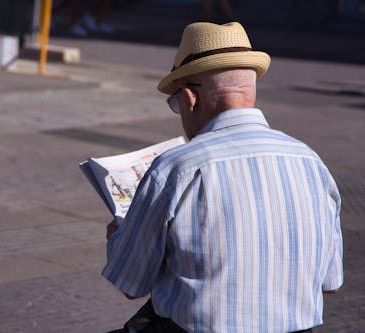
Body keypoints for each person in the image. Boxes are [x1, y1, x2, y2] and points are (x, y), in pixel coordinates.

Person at [102, 22, 343, 332]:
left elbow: (131, 284)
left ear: (190, 98)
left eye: (176, 103)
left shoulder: (176, 169)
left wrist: (117, 235)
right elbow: (331, 283)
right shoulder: (311, 162)